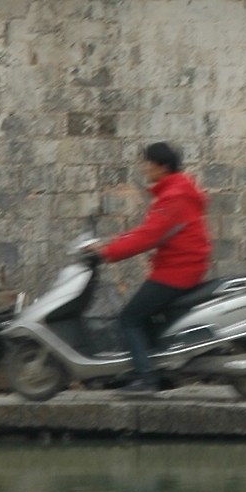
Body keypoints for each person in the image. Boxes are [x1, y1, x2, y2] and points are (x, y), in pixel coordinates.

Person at [94, 144, 212, 392]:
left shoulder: (174, 196)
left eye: (147, 163)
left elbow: (149, 237)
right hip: (181, 267)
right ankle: (153, 369)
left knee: (129, 318)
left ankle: (146, 378)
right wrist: (112, 242)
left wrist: (108, 252)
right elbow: (149, 230)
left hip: (177, 271)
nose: (144, 169)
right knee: (145, 317)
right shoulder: (177, 191)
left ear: (162, 166)